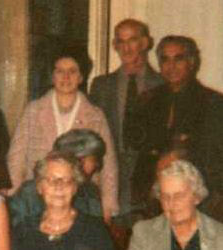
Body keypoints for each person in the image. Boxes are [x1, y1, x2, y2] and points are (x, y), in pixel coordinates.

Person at [8, 52, 119, 222]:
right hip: (38, 194)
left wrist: (108, 204)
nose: (66, 77)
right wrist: (15, 192)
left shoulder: (95, 115)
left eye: (72, 71)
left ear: (81, 77)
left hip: (80, 197)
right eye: (60, 71)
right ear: (52, 76)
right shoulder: (34, 110)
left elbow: (108, 163)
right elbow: (17, 156)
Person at [131, 36, 223, 220]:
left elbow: (216, 156)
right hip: (153, 201)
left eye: (178, 58)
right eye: (165, 59)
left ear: (192, 62)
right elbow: (140, 151)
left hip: (199, 200)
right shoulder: (148, 100)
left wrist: (180, 154)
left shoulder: (212, 102)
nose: (171, 66)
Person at [89, 19, 163, 212]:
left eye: (132, 40)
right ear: (114, 45)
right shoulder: (101, 85)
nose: (126, 48)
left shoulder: (162, 84)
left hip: (150, 174)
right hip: (110, 172)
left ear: (145, 43)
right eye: (121, 41)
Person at [12, 151, 115, 250]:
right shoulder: (23, 231)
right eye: (51, 180)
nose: (59, 186)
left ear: (75, 188)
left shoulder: (94, 230)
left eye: (67, 180)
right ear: (39, 187)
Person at [9, 129, 106, 226]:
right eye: (93, 160)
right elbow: (15, 230)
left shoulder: (90, 193)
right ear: (78, 160)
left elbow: (96, 231)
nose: (96, 165)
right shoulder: (30, 192)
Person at [129, 160, 223, 249]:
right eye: (165, 197)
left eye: (179, 196)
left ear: (196, 197)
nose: (172, 203)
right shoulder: (144, 233)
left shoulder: (219, 235)